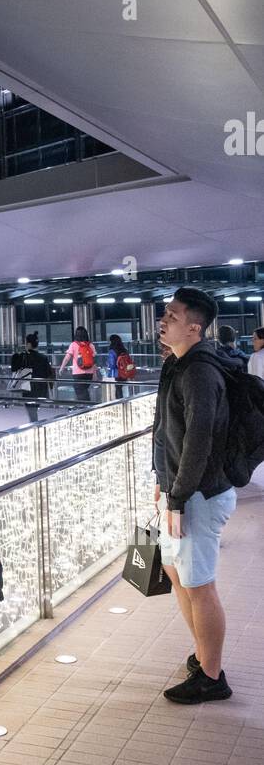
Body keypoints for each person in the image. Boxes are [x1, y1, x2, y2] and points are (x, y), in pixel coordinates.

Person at [153, 287, 236, 703]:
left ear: (195, 326)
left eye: (172, 314)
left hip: (198, 497)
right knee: (177, 573)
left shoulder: (200, 372)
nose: (163, 319)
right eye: (165, 312)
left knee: (200, 584)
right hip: (180, 491)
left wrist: (177, 498)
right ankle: (204, 655)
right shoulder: (178, 364)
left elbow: (198, 443)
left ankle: (212, 676)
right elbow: (167, 434)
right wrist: (160, 479)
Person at [10, 333, 55, 423]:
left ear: (29, 344)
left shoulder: (23, 357)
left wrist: (16, 355)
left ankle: (34, 426)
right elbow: (48, 373)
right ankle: (35, 424)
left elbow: (14, 368)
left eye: (26, 343)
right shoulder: (43, 358)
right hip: (41, 389)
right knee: (33, 410)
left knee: (32, 412)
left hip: (28, 388)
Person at [58, 325, 97, 403]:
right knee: (84, 390)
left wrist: (61, 368)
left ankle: (86, 408)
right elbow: (94, 361)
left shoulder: (73, 345)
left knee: (80, 392)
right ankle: (87, 407)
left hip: (78, 373)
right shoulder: (90, 345)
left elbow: (67, 358)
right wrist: (94, 373)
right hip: (89, 373)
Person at [106, 334, 135, 399]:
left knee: (118, 388)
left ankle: (119, 402)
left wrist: (107, 364)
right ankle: (124, 400)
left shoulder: (112, 351)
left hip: (117, 373)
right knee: (122, 387)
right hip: (125, 371)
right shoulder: (124, 350)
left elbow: (112, 364)